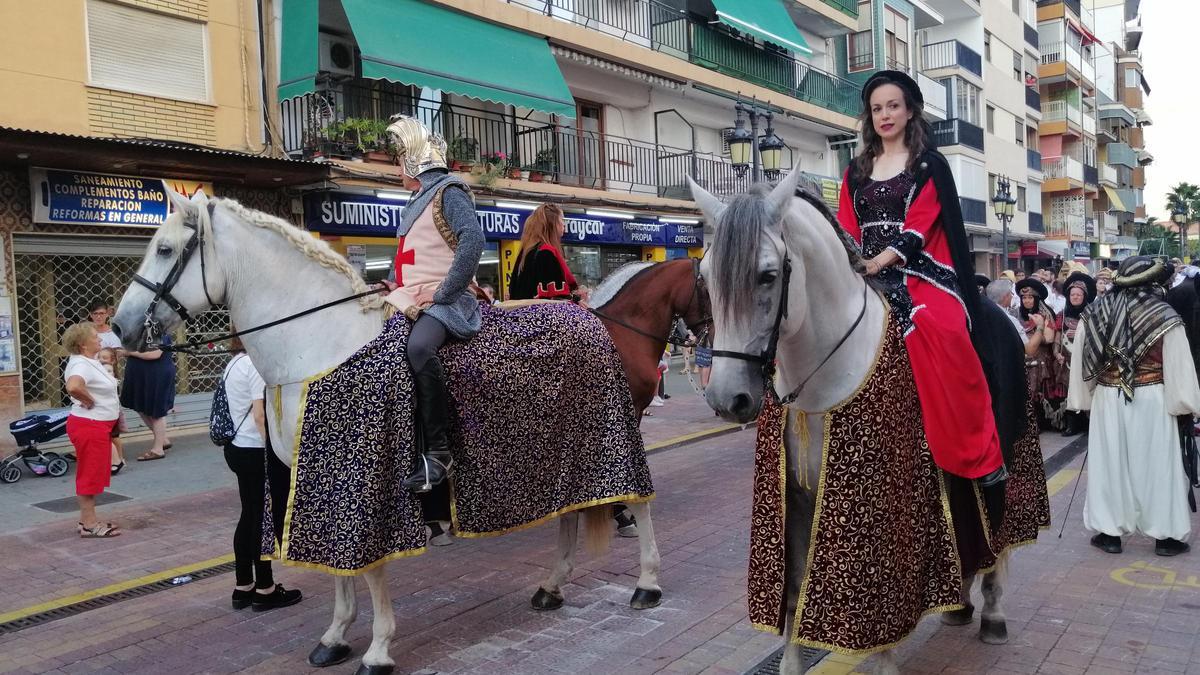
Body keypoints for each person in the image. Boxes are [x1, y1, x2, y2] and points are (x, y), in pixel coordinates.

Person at [835, 69, 1007, 517]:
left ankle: (981, 452)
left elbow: (920, 227)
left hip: (922, 271)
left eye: (893, 105)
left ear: (910, 110)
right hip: (862, 270)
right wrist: (855, 263)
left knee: (943, 329)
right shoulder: (854, 171)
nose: (885, 115)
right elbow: (846, 227)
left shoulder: (929, 165)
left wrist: (879, 262)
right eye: (876, 108)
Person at [1068, 256, 1200, 557]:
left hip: (1107, 397)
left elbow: (1080, 360)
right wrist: (1184, 404)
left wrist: (1084, 400)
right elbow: (1178, 363)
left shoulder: (1095, 311)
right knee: (1158, 466)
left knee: (1110, 464)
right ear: (1150, 282)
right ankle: (1166, 538)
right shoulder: (1163, 314)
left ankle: (1110, 534)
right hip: (1153, 397)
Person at [380, 116, 484, 493]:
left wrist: (442, 293)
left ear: (413, 161)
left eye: (399, 159)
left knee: (419, 347)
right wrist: (391, 281)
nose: (396, 168)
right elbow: (409, 254)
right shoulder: (415, 200)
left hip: (445, 301)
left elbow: (473, 243)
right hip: (409, 296)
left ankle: (439, 452)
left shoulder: (449, 192)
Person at [219, 335, 303, 611]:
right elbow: (259, 415)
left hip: (236, 447)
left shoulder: (234, 363)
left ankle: (243, 585)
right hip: (255, 449)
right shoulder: (255, 365)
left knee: (248, 515)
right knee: (260, 519)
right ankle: (265, 589)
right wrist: (274, 447)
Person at [62, 323, 121, 538]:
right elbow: (73, 386)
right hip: (90, 426)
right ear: (82, 344)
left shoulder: (89, 361)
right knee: (90, 474)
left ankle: (86, 519)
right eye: (95, 337)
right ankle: (89, 524)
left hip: (97, 425)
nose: (100, 340)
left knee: (94, 472)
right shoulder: (81, 365)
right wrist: (88, 400)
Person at [121, 332, 175, 461]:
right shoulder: (139, 331)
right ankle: (163, 439)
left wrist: (129, 353)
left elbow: (155, 354)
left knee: (156, 411)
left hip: (156, 374)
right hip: (143, 374)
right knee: (140, 406)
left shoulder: (158, 331)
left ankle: (158, 449)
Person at [508, 203, 579, 301]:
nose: (564, 224)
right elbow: (557, 297)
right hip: (539, 313)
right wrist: (576, 300)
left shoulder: (526, 252)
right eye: (562, 219)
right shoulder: (546, 253)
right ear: (552, 223)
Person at [1055, 272, 1096, 437]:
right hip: (1066, 360)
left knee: (1086, 389)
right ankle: (1072, 425)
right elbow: (1058, 336)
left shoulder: (1092, 314)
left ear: (1085, 296)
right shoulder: (1062, 314)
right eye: (1072, 294)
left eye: (1079, 294)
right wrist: (1056, 352)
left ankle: (1089, 423)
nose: (1075, 297)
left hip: (1085, 358)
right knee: (1069, 391)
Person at [1016, 278, 1060, 428]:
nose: (1027, 301)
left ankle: (1041, 420)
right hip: (1022, 357)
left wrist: (1033, 334)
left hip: (1040, 358)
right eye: (1024, 298)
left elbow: (1049, 338)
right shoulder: (1016, 314)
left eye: (1030, 297)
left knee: (1039, 389)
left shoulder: (1045, 315)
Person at [96, 347, 127, 474]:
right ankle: (116, 458)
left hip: (111, 410)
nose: (101, 360)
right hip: (109, 409)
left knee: (114, 436)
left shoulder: (107, 369)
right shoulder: (102, 368)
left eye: (104, 358)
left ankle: (119, 458)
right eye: (99, 357)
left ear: (112, 360)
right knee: (112, 437)